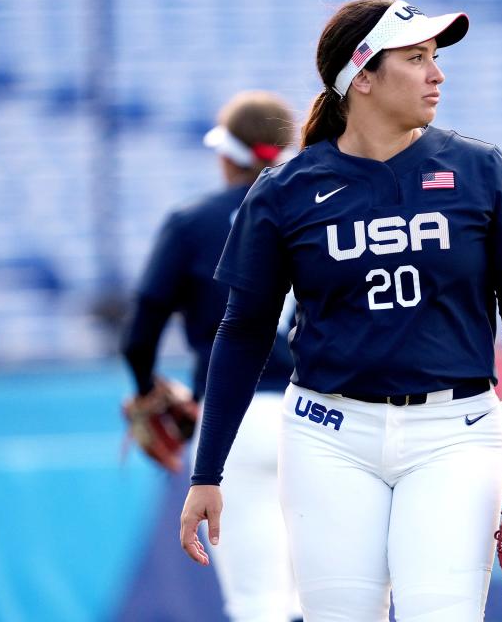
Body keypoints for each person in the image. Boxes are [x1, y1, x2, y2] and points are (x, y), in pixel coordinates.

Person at [180, 0, 502, 621]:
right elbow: (243, 331)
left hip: (455, 433)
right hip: (328, 436)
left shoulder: (479, 168)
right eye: (416, 59)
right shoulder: (284, 192)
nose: (436, 74)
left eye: (434, 58)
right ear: (361, 75)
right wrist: (209, 472)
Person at [120, 90, 302, 622]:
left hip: (232, 422)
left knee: (258, 605)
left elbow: (138, 333)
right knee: (330, 600)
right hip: (324, 417)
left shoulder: (191, 221)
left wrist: (145, 387)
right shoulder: (321, 213)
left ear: (227, 153)